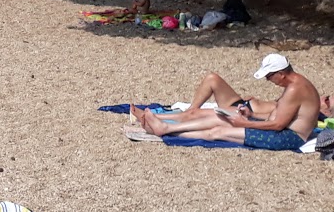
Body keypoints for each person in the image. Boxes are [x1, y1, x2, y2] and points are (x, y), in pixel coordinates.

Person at [131, 54, 322, 149]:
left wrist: (244, 123)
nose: (268, 81)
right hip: (279, 128)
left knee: (217, 132)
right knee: (219, 117)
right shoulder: (294, 85)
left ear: (281, 74)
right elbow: (281, 117)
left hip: (290, 138)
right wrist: (251, 116)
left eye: (269, 77)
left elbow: (280, 124)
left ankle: (163, 129)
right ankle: (165, 127)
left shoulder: (295, 89)